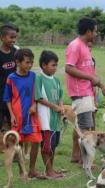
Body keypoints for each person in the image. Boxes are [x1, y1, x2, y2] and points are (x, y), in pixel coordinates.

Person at [65, 17, 105, 163]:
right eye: (95, 31)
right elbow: (68, 68)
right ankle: (85, 162)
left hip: (87, 93)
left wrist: (101, 86)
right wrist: (91, 79)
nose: (96, 34)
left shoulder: (85, 47)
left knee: (82, 126)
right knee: (86, 130)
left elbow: (89, 72)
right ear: (89, 31)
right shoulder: (75, 46)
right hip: (80, 93)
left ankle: (76, 156)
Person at [3, 48, 44, 179]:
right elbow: (7, 98)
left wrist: (34, 104)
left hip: (32, 116)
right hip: (18, 116)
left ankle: (32, 170)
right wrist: (12, 115)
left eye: (31, 62)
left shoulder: (33, 76)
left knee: (36, 141)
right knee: (18, 143)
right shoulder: (11, 78)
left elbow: (37, 95)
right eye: (27, 62)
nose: (30, 65)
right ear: (18, 62)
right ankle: (22, 170)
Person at [35, 50, 65, 178]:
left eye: (56, 65)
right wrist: (54, 107)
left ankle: (51, 169)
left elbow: (60, 97)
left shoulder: (56, 81)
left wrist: (61, 107)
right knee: (47, 146)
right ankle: (48, 171)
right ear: (43, 65)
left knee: (54, 145)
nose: (55, 68)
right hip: (45, 119)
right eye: (53, 65)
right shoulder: (39, 79)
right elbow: (39, 98)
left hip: (55, 119)